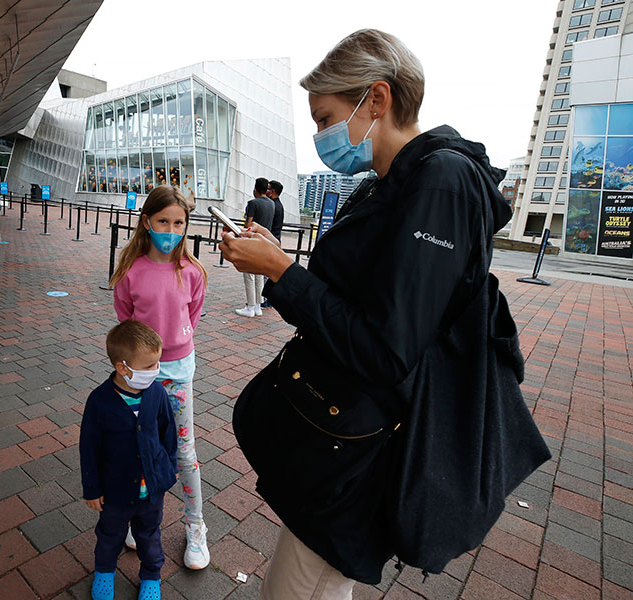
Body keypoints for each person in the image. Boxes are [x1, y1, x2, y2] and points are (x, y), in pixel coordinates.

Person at [220, 29, 550, 600]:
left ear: (377, 99)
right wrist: (278, 265)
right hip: (341, 433)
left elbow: (387, 348)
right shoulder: (386, 184)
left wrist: (280, 271)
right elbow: (351, 298)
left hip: (365, 443)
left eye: (325, 118)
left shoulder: (440, 182)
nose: (321, 135)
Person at [110, 185, 211, 570]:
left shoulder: (193, 272)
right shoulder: (130, 272)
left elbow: (193, 316)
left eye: (179, 223)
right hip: (139, 377)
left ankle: (196, 525)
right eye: (163, 221)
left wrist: (175, 344)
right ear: (147, 222)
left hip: (179, 374)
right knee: (143, 449)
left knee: (184, 452)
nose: (171, 229)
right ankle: (144, 517)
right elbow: (126, 319)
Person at [80, 320, 178, 600]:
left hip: (151, 491)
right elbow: (89, 447)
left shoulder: (157, 393)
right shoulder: (99, 401)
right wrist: (92, 489)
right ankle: (104, 572)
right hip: (115, 491)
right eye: (149, 366)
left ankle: (151, 575)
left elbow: (167, 433)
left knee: (149, 535)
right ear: (123, 367)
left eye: (157, 363)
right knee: (109, 535)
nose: (155, 371)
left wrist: (169, 468)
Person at [235, 178, 274, 318]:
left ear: (255, 188)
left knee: (249, 275)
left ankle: (250, 307)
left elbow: (249, 223)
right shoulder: (271, 204)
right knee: (259, 274)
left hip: (252, 241)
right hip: (264, 242)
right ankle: (258, 306)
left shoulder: (253, 203)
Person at [260, 180, 285, 309]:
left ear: (273, 191)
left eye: (269, 188)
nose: (266, 191)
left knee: (266, 272)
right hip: (275, 239)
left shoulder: (274, 206)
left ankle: (266, 299)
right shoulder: (277, 204)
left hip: (272, 240)